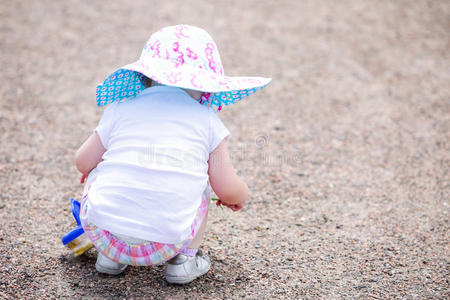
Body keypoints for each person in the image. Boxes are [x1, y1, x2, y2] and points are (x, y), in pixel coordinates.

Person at [75, 24, 271, 284]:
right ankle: (183, 262)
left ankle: (111, 259)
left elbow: (82, 161)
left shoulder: (121, 106)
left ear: (145, 75)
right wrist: (240, 195)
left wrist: (95, 168)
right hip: (166, 243)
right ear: (206, 86)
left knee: (101, 166)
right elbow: (226, 187)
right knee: (201, 184)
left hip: (103, 235)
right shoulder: (207, 119)